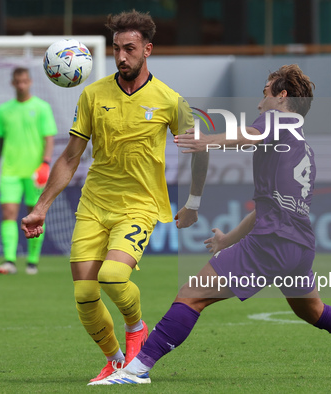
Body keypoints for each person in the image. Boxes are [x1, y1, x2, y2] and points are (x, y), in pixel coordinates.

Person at [90, 64, 331, 385]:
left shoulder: (277, 119)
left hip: (272, 242)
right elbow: (267, 208)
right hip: (300, 246)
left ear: (282, 95)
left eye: (264, 94)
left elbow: (250, 135)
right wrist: (227, 240)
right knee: (313, 310)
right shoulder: (304, 147)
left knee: (191, 296)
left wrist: (207, 141)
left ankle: (135, 371)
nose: (259, 104)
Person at [21, 10, 208, 383]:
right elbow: (71, 156)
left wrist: (193, 202)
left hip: (139, 206)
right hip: (93, 205)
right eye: (117, 49)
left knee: (112, 276)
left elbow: (200, 151)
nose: (122, 56)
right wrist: (41, 207)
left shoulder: (171, 101)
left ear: (147, 50)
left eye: (130, 48)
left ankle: (137, 329)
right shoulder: (93, 94)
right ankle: (115, 359)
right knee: (85, 296)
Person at [0, 67, 57, 275]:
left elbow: (49, 138)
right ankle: (9, 260)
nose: (21, 85)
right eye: (17, 82)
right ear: (13, 83)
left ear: (30, 82)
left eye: (24, 81)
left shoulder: (42, 107)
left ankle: (32, 262)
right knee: (8, 213)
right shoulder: (4, 110)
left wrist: (45, 164)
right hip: (10, 171)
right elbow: (0, 140)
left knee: (34, 215)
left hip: (34, 171)